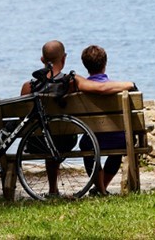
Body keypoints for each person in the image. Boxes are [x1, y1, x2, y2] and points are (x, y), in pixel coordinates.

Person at [20, 40, 135, 195]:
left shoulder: (28, 86)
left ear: (42, 59)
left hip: (36, 142)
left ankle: (53, 190)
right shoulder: (71, 82)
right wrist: (129, 84)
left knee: (47, 134)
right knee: (57, 135)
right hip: (64, 141)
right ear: (64, 58)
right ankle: (100, 189)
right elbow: (100, 87)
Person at [79, 45, 128, 196]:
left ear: (85, 65)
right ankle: (101, 189)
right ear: (105, 63)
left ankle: (100, 189)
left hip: (93, 139)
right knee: (119, 144)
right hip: (117, 139)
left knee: (86, 147)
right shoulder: (119, 88)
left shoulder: (81, 90)